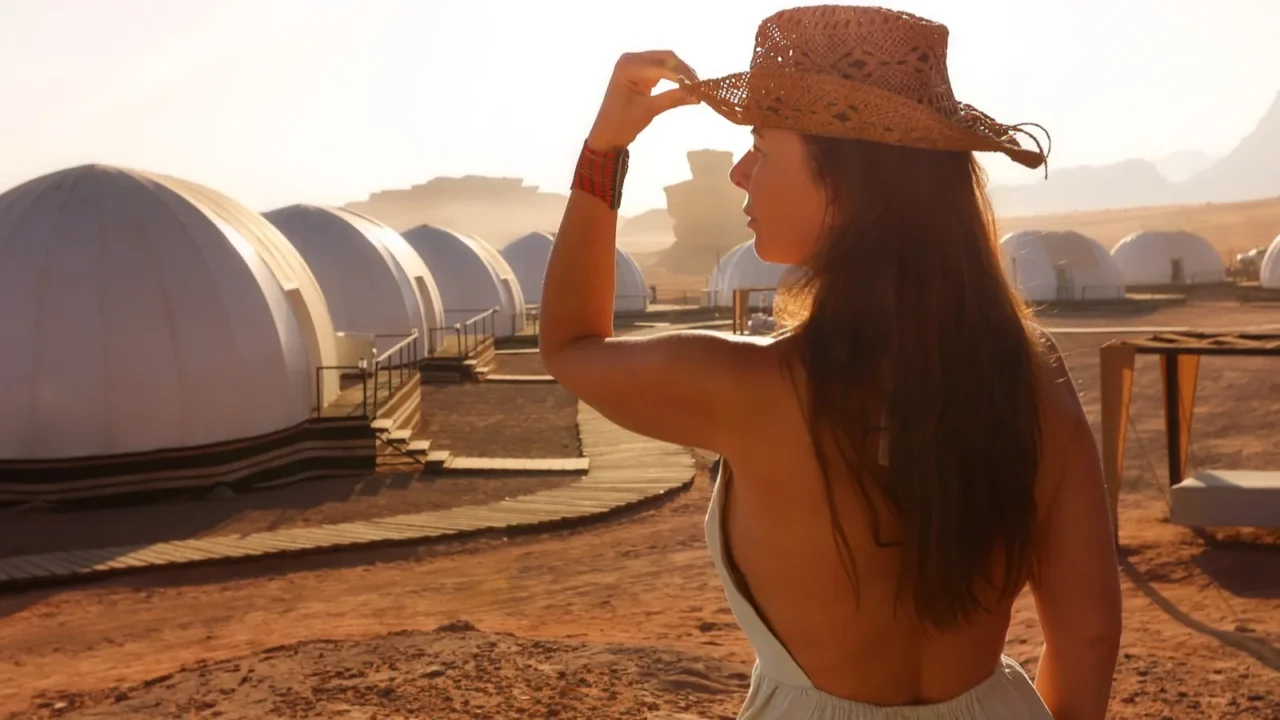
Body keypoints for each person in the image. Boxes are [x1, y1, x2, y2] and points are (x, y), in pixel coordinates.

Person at [539, 5, 1121, 719]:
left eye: (762, 147)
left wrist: (605, 150)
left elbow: (568, 345)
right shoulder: (1031, 371)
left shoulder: (748, 387)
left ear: (844, 187)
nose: (740, 172)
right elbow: (1089, 635)